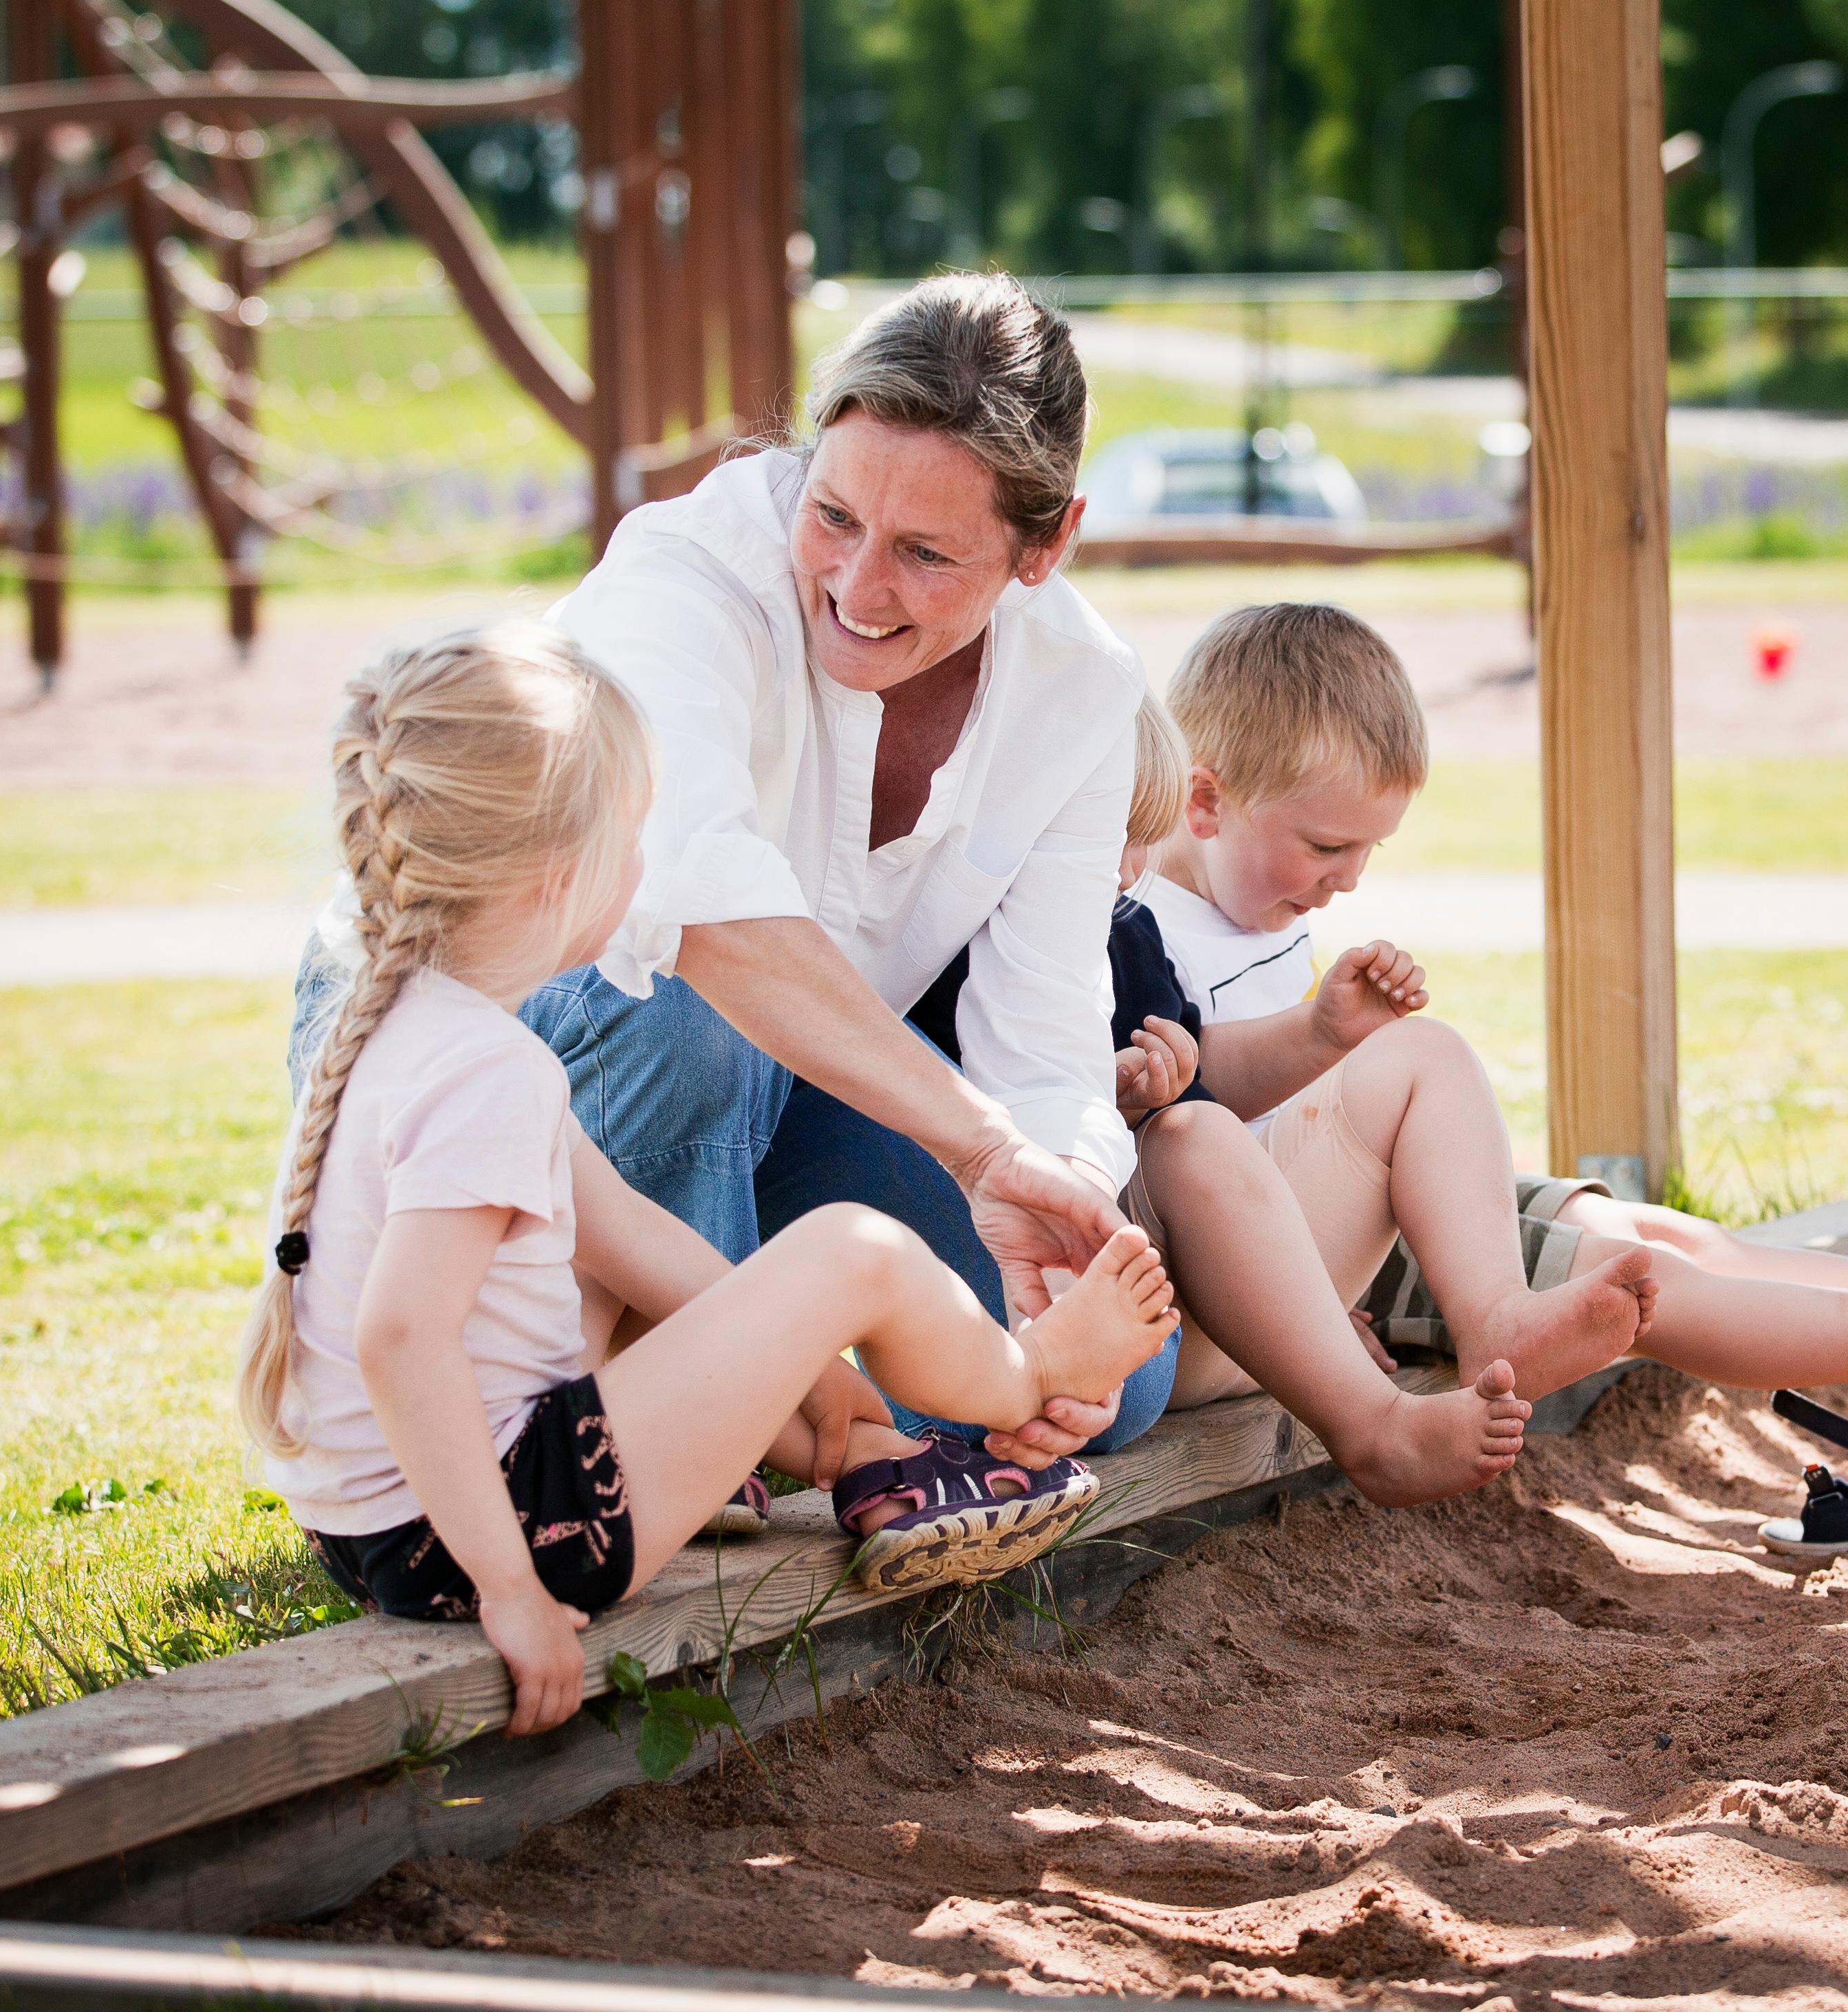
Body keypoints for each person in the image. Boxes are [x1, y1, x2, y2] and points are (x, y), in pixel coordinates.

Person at [301, 275, 1175, 1571]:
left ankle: (786, 1408)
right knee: (702, 1018)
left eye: (924, 553)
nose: (855, 584)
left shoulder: (1083, 691)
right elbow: (688, 903)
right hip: (529, 1035)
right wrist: (982, 1157)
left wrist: (1050, 1217)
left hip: (784, 1093)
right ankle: (659, 1427)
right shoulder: (689, 572)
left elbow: (1040, 1040)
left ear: (1042, 548)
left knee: (1105, 1393)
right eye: (832, 513)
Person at [242, 622, 1178, 1734]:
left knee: (633, 1272)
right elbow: (402, 1337)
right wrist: (509, 1589)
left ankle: (864, 1448)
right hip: (500, 1530)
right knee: (851, 1252)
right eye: (633, 836)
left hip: (399, 1528)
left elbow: (626, 1239)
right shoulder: (480, 1073)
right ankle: (1028, 1376)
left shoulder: (410, 1029)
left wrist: (814, 1378)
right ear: (555, 876)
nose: (650, 867)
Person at [1128, 602, 1848, 1417]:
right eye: (1325, 848)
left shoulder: (1253, 899)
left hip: (1340, 1227)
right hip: (1250, 1282)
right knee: (1636, 1268)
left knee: (1673, 1239)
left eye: (1368, 854)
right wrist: (1313, 1315)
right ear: (1207, 804)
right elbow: (1170, 1153)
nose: (1346, 883)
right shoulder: (1141, 930)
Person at [910, 697, 1547, 1507]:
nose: (1127, 871)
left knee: (1222, 1114)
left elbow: (1199, 1088)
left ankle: (1458, 1322)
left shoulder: (1123, 930)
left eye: (1137, 841)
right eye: (1110, 840)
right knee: (1196, 1135)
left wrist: (1163, 1089)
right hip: (1071, 1308)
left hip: (1178, 1300)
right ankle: (1371, 1426)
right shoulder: (938, 949)